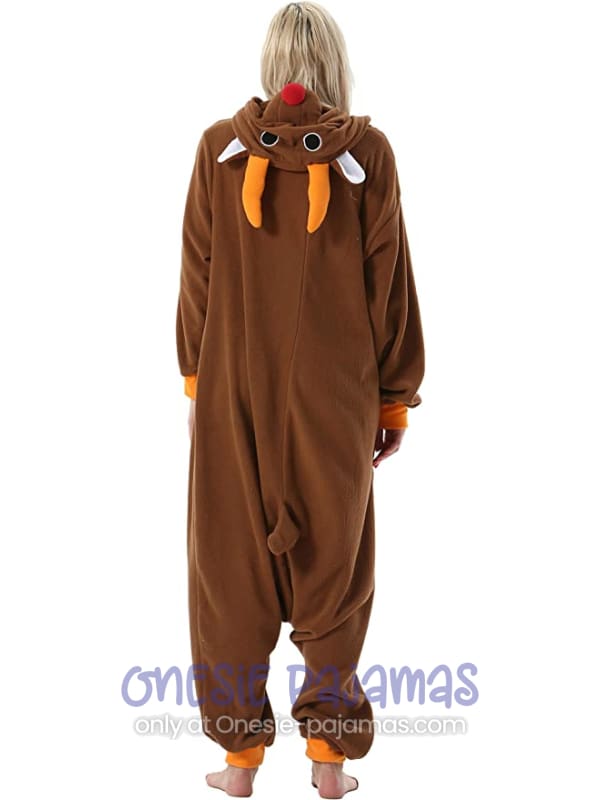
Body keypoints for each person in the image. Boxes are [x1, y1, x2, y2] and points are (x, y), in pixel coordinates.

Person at [175, 2, 425, 796]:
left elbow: (198, 275)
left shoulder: (218, 149)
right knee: (335, 572)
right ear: (335, 66)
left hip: (233, 392)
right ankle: (328, 760)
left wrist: (196, 382)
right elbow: (389, 284)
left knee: (228, 566)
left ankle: (239, 763)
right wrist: (393, 401)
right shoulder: (367, 155)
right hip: (337, 398)